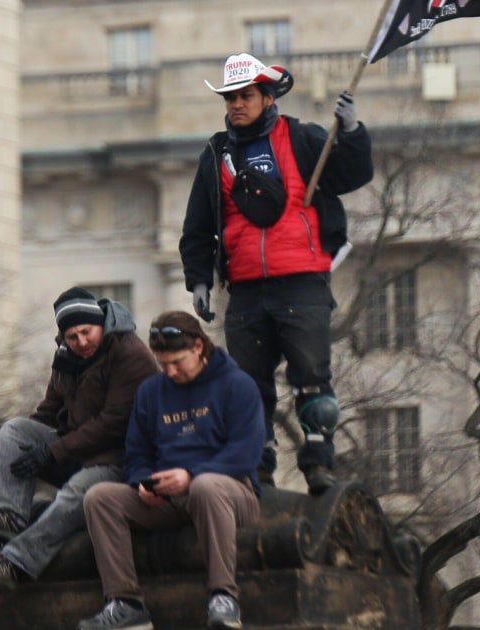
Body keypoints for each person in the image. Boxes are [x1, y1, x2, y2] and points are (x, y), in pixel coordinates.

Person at [179, 52, 375, 494]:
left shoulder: (303, 138)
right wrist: (199, 279)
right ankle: (258, 463)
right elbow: (198, 227)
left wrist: (353, 131)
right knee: (248, 386)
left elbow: (352, 174)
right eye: (230, 98)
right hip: (246, 290)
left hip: (302, 281)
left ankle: (319, 463)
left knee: (311, 378)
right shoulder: (215, 153)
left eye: (245, 96)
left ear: (268, 98)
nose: (236, 105)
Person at [77, 311, 263, 630]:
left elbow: (244, 454)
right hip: (170, 497)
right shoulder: (151, 392)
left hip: (230, 493)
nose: (170, 371)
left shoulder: (238, 385)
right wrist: (143, 484)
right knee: (100, 497)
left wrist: (190, 476)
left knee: (206, 486)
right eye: (163, 364)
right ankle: (125, 603)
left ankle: (223, 597)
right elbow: (136, 454)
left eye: (177, 362)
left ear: (199, 348)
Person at [0, 287, 158, 589]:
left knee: (77, 492)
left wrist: (53, 452)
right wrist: (7, 452)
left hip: (120, 460)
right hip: (76, 453)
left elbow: (113, 423)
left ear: (101, 324)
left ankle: (15, 563)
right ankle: (7, 515)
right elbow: (48, 412)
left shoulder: (130, 353)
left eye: (87, 332)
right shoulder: (66, 357)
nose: (82, 342)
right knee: (14, 430)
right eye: (73, 336)